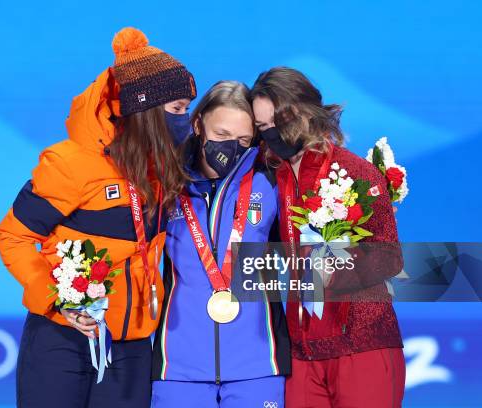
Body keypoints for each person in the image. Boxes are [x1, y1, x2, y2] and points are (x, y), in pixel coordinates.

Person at [0, 27, 196, 408]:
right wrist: (56, 301)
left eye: (187, 108)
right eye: (177, 110)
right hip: (62, 340)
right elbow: (12, 237)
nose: (185, 121)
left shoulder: (165, 168)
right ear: (144, 110)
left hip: (133, 348)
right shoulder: (70, 164)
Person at [251, 67, 405, 408]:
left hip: (362, 343)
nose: (274, 133)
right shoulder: (272, 178)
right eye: (263, 128)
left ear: (307, 111)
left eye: (280, 120)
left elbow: (390, 256)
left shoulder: (355, 171)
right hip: (301, 351)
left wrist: (334, 274)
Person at [151, 81, 291, 408]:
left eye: (243, 140)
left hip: (258, 365)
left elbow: (310, 262)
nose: (232, 148)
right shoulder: (167, 184)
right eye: (222, 136)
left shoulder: (270, 181)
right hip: (178, 368)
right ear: (198, 124)